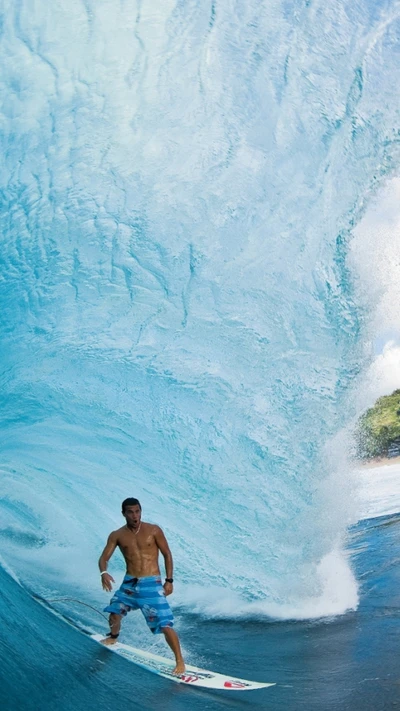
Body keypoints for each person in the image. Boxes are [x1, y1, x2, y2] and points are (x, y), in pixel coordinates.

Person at [98, 497, 185, 674]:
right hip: (130, 583)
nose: (134, 515)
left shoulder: (153, 530)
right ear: (123, 513)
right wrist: (103, 573)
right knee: (114, 612)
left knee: (164, 624)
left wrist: (169, 581)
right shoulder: (117, 535)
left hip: (151, 583)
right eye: (130, 512)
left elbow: (167, 554)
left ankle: (180, 661)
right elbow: (103, 558)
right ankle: (113, 637)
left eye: (137, 511)